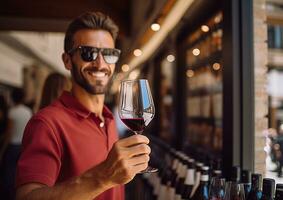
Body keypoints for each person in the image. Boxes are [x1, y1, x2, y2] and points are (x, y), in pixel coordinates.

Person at [16, 11, 151, 200]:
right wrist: (102, 176)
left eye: (109, 54)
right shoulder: (47, 123)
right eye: (88, 53)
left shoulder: (110, 119)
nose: (100, 64)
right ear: (67, 60)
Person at [0, 88, 32, 200]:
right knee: (18, 173)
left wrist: (2, 151)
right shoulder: (28, 111)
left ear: (13, 97)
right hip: (23, 146)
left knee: (8, 174)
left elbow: (9, 133)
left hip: (13, 146)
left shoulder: (12, 112)